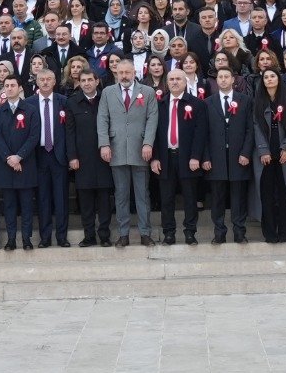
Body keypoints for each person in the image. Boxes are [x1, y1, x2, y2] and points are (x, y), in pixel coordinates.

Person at [96, 59, 158, 247]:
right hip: (116, 149)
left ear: (134, 73)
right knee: (121, 195)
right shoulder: (107, 93)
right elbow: (102, 119)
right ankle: (123, 234)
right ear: (116, 73)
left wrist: (148, 143)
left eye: (127, 72)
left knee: (142, 194)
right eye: (120, 72)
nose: (123, 76)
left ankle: (145, 233)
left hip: (141, 149)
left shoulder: (147, 92)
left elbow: (152, 119)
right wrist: (104, 144)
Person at [251, 65, 286, 242]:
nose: (269, 79)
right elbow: (256, 127)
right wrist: (263, 150)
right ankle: (269, 233)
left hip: (284, 154)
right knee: (266, 195)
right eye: (266, 77)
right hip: (265, 156)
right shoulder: (257, 101)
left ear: (278, 79)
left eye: (272, 76)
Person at [151, 69, 207, 245]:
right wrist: (155, 157)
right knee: (166, 198)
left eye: (178, 79)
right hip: (165, 158)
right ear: (167, 83)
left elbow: (201, 133)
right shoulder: (159, 104)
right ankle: (169, 233)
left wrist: (196, 156)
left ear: (185, 82)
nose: (174, 82)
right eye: (171, 79)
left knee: (190, 198)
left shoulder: (197, 104)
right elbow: (153, 133)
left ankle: (190, 232)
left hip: (188, 158)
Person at [205, 64, 253, 244]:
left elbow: (250, 130)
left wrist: (246, 153)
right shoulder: (208, 102)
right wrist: (206, 157)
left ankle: (239, 232)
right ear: (216, 80)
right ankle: (219, 232)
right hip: (216, 159)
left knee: (238, 198)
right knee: (217, 198)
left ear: (233, 80)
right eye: (220, 77)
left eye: (227, 76)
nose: (223, 79)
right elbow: (204, 133)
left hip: (238, 157)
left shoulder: (245, 100)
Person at [0, 75, 39, 250]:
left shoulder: (31, 110)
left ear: (20, 88)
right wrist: (9, 158)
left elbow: (34, 136)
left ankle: (26, 238)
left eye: (13, 85)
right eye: (6, 85)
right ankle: (11, 239)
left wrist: (19, 157)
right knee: (9, 205)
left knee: (27, 204)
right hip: (5, 166)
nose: (9, 88)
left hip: (25, 164)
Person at [31, 69, 72, 248]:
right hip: (38, 155)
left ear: (55, 81)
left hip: (59, 155)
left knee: (61, 198)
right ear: (37, 82)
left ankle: (62, 237)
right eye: (42, 79)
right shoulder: (29, 103)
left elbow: (70, 131)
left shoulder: (64, 102)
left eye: (49, 79)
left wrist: (70, 156)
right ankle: (45, 237)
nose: (45, 82)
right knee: (43, 198)